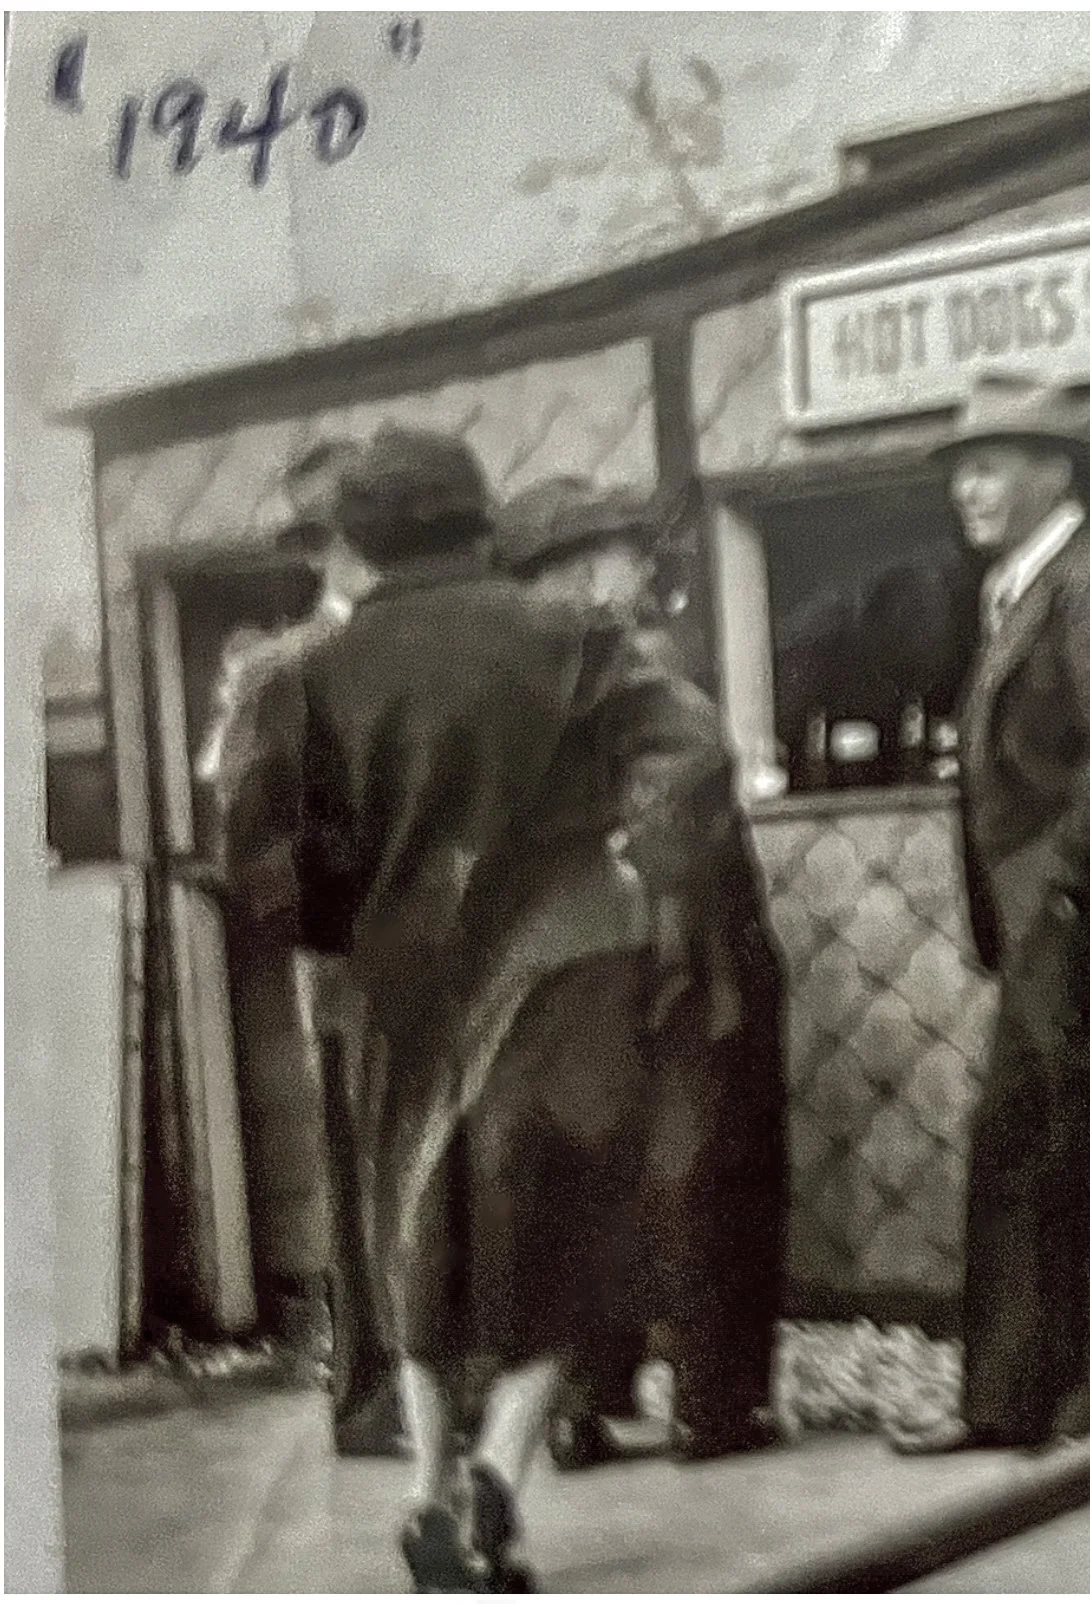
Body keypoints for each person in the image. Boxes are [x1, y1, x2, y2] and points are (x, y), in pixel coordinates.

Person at [222, 427, 746, 1590]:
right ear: (481, 520)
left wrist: (339, 919)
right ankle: (500, 1469)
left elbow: (254, 855)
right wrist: (636, 853)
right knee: (563, 1225)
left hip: (395, 980)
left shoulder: (295, 676)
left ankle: (427, 1490)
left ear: (356, 535)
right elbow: (697, 748)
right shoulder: (574, 636)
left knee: (420, 1222)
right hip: (569, 961)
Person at [892, 375, 1090, 1456]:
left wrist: (1064, 881)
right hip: (1057, 914)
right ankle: (1015, 1396)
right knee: (1025, 1142)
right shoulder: (1027, 585)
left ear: (1055, 471)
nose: (967, 490)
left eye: (989, 466)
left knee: (1087, 1139)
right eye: (960, 472)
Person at [492, 478, 789, 1470]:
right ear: (584, 570)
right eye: (627, 552)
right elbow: (685, 801)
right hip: (683, 958)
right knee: (704, 1169)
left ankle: (580, 1402)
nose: (644, 568)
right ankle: (711, 1403)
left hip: (569, 967)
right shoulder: (637, 667)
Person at [197, 439, 403, 1459]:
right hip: (351, 970)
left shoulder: (424, 648)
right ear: (320, 548)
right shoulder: (280, 668)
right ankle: (372, 1399)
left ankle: (446, 1389)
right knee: (365, 1180)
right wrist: (334, 925)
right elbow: (249, 839)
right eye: (349, 532)